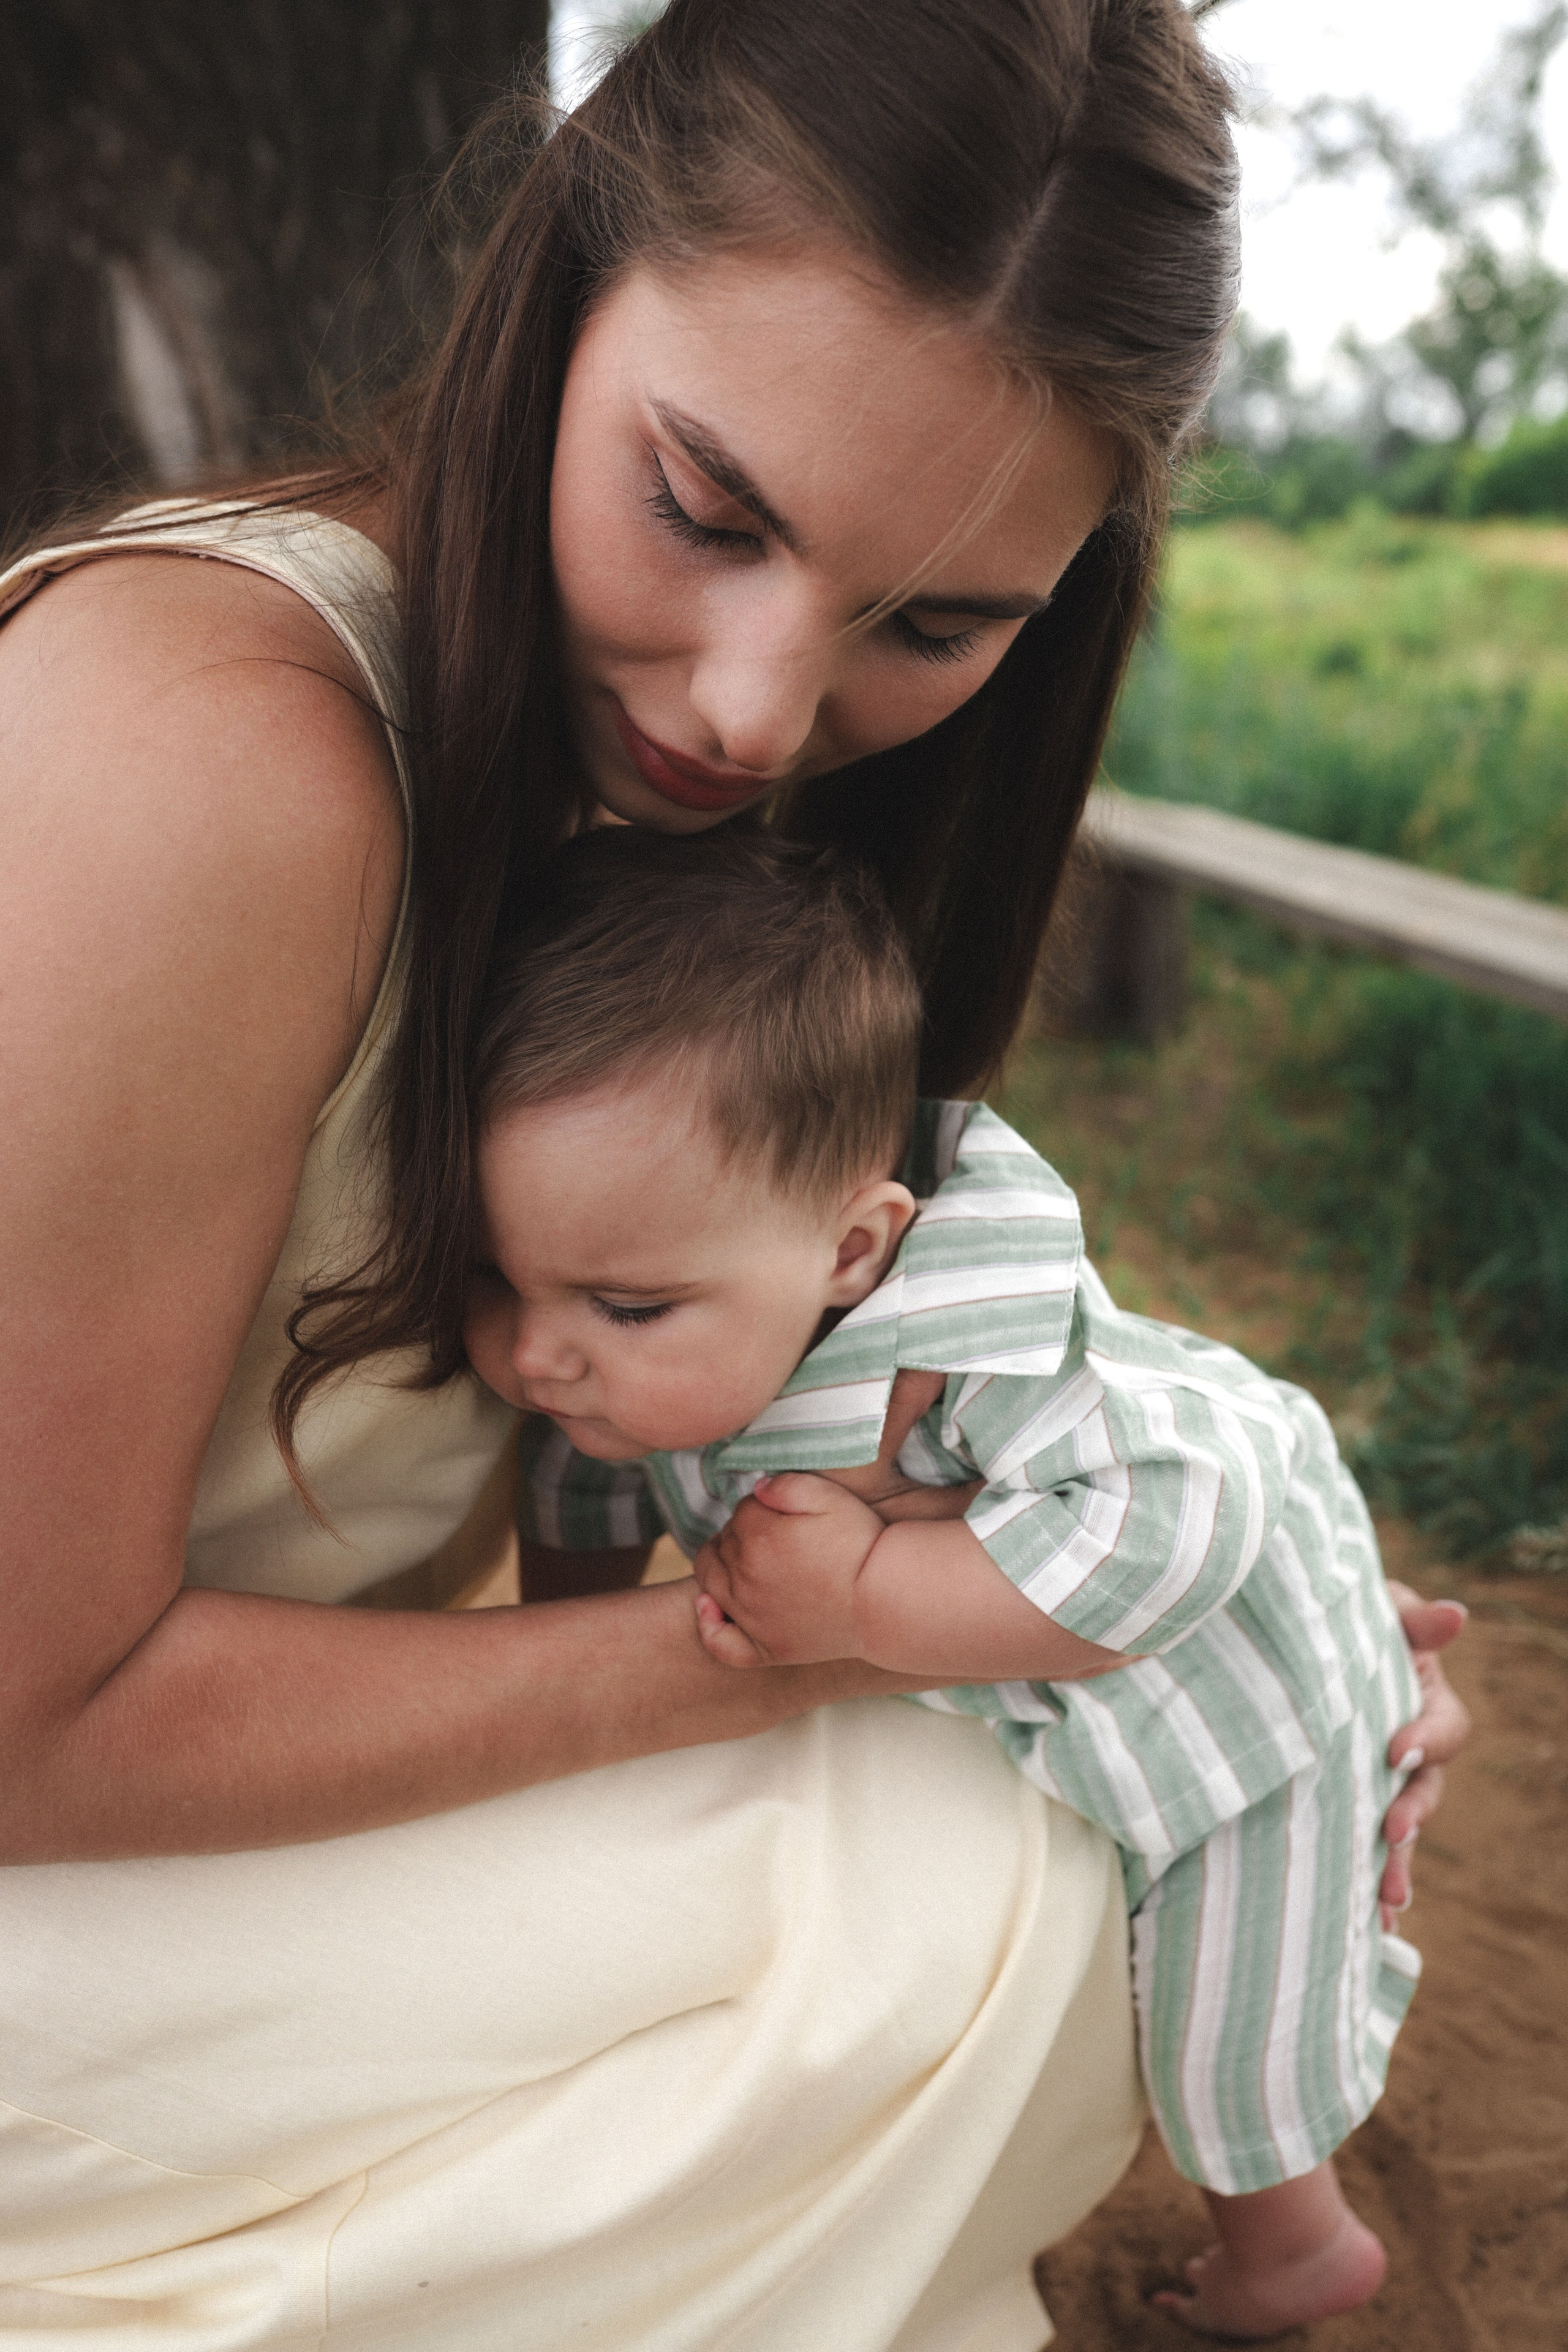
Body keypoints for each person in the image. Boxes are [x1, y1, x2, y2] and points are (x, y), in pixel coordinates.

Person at [0, 3, 1465, 2345]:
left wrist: (1245, 1636)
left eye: (938, 621)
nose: (754, 710)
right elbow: (24, 1715)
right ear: (565, 254)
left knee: (1095, 1833)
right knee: (994, 1878)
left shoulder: (673, 827)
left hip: (154, 1848)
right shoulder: (202, 757)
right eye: (708, 505)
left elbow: (892, 1352)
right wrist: (789, 1656)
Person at [470, 824, 1426, 2339]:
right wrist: (562, 1644)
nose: (534, 1354)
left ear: (852, 1251)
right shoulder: (629, 1341)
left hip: (1233, 1676)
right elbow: (582, 1478)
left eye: (626, 1305)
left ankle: (1290, 2240)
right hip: (1025, 1660)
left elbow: (1184, 1520)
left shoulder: (970, 1361)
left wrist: (867, 1606)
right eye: (496, 1280)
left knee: (1221, 1999)